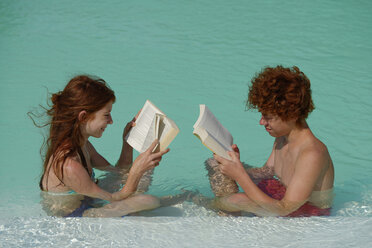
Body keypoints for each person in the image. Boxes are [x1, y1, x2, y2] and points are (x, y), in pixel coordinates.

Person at [30, 75, 170, 217]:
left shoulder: (84, 145)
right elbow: (116, 197)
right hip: (75, 217)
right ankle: (168, 202)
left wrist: (127, 143)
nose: (111, 121)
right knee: (148, 200)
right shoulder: (68, 165)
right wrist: (136, 172)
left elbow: (118, 172)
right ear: (83, 117)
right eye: (106, 115)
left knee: (143, 174)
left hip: (86, 199)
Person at [206, 65, 334, 217]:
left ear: (292, 115)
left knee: (238, 200)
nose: (261, 122)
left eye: (268, 117)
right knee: (215, 164)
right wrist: (237, 166)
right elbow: (266, 173)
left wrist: (240, 175)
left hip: (306, 213)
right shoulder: (282, 138)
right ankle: (227, 213)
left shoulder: (312, 154)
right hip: (282, 196)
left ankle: (202, 203)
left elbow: (285, 208)